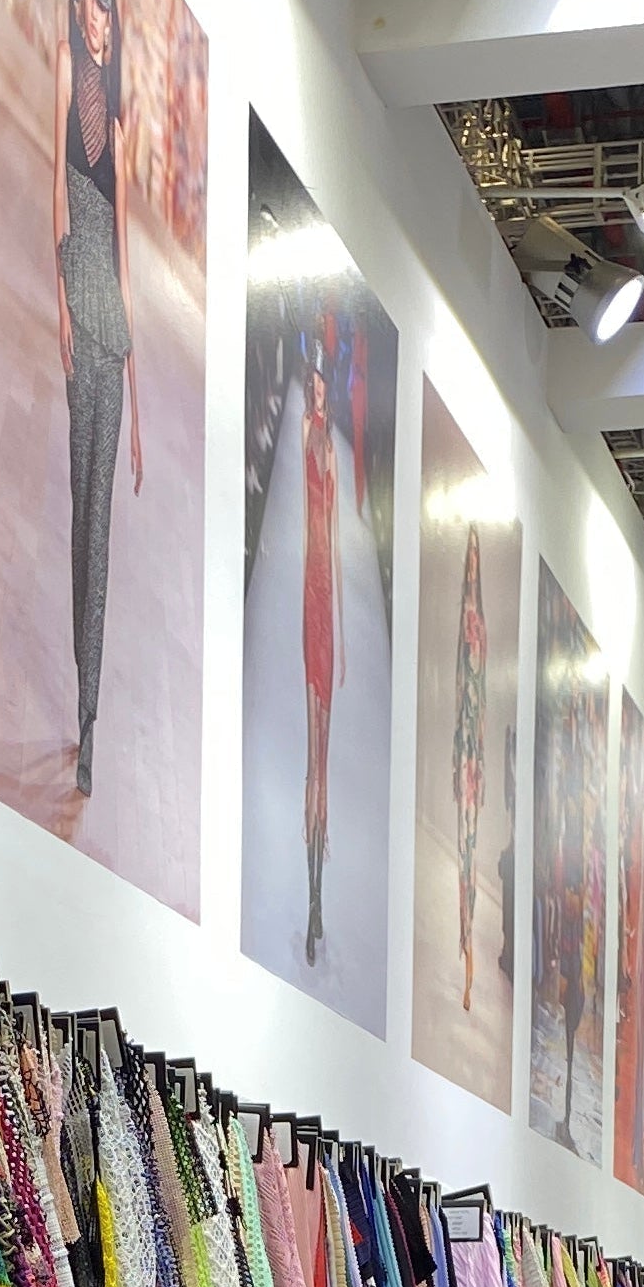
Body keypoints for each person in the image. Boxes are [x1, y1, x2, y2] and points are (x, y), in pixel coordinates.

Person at [54, 0, 142, 800]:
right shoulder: (66, 74)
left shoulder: (117, 113)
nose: (99, 17)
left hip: (112, 332)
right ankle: (81, 695)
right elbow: (60, 207)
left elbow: (123, 242)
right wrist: (61, 315)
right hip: (81, 315)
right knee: (80, 518)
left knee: (101, 530)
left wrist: (139, 389)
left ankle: (88, 719)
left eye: (110, 8)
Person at [299, 344, 345, 962]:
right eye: (309, 388)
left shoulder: (328, 443)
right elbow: (309, 528)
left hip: (326, 602)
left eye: (318, 388)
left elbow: (332, 536)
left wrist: (345, 629)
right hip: (312, 602)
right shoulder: (310, 440)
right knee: (313, 760)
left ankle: (317, 897)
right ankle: (311, 898)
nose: (313, 396)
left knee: (323, 760)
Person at [453, 524, 487, 1008]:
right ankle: (465, 954)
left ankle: (469, 955)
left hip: (473, 758)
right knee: (465, 856)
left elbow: (479, 700)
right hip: (465, 756)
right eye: (472, 558)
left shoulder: (482, 627)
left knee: (472, 857)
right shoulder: (466, 622)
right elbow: (464, 690)